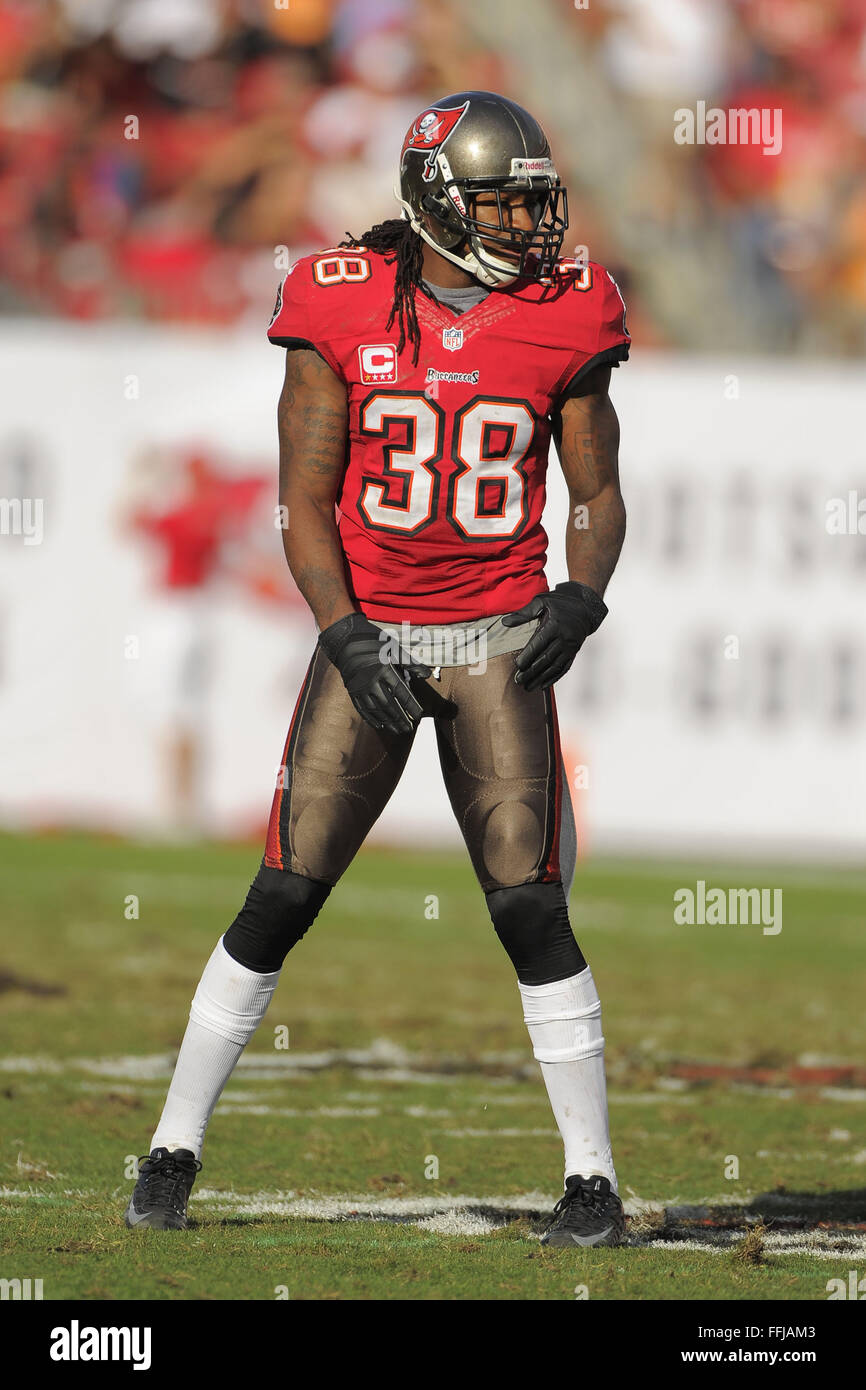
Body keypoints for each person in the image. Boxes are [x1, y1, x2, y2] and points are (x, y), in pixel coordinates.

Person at [124, 90, 631, 1248]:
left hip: (497, 635)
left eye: (530, 203)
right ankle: (170, 1145)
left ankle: (591, 1183)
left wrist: (582, 594)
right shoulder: (337, 299)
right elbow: (301, 497)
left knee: (528, 906)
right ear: (439, 203)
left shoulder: (568, 310)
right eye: (502, 205)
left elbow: (597, 494)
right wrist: (345, 627)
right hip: (375, 629)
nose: (527, 227)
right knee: (283, 893)